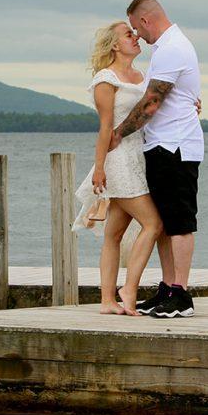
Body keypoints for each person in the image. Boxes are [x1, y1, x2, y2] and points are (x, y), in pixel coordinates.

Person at [110, 0, 203, 318]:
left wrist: (118, 134)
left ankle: (181, 293)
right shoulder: (165, 49)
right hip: (161, 145)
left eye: (137, 28)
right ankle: (167, 286)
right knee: (163, 223)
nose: (139, 36)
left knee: (179, 223)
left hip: (176, 146)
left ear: (146, 21)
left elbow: (152, 102)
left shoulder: (173, 47)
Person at [72, 21, 165, 315]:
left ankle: (106, 302)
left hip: (142, 156)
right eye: (129, 34)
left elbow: (156, 105)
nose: (135, 37)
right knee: (154, 224)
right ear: (114, 45)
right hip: (119, 160)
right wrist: (99, 168)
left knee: (114, 234)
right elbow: (105, 129)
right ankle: (129, 289)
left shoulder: (142, 75)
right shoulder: (105, 79)